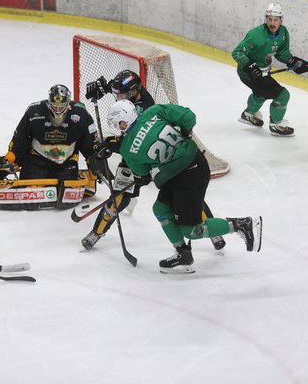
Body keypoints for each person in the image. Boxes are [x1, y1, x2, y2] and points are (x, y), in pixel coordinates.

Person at [106, 100, 262, 274]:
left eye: (118, 124)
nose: (118, 128)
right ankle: (183, 254)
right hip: (193, 165)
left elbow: (142, 175)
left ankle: (242, 224)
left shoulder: (127, 149)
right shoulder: (153, 112)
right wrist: (187, 134)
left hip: (189, 175)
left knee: (192, 230)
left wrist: (141, 178)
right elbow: (188, 117)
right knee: (161, 208)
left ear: (124, 121)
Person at [81, 70, 226, 252]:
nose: (119, 98)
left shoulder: (145, 107)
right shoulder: (130, 93)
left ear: (134, 92)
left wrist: (109, 145)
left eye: (122, 95)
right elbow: (121, 91)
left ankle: (212, 230)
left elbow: (131, 144)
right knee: (120, 196)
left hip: (148, 157)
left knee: (188, 195)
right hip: (136, 155)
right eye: (118, 95)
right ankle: (97, 232)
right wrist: (103, 87)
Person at [0, 84, 102, 204]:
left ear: (68, 104)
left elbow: (91, 144)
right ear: (49, 103)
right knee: (33, 184)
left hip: (66, 163)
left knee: (66, 188)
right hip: (37, 162)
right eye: (55, 106)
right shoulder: (34, 112)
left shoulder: (81, 114)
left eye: (61, 107)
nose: (58, 110)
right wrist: (12, 159)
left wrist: (95, 162)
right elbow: (20, 141)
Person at [232, 3, 308, 136]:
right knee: (282, 95)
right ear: (265, 19)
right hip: (248, 73)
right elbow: (237, 52)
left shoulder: (283, 33)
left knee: (262, 93)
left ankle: (248, 114)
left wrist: (293, 62)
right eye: (269, 19)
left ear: (281, 20)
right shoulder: (256, 35)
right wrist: (250, 66)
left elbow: (281, 53)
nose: (272, 23)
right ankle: (276, 124)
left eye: (275, 20)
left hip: (262, 72)